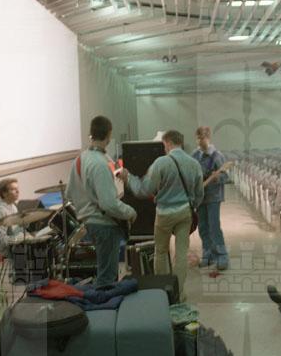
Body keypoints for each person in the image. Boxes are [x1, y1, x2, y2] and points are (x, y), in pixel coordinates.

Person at [122, 130, 203, 301]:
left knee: (160, 251)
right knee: (181, 254)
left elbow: (144, 190)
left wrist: (128, 178)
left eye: (164, 145)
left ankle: (164, 291)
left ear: (168, 143)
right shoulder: (194, 163)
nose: (164, 148)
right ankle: (179, 293)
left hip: (164, 214)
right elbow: (199, 193)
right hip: (184, 213)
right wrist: (191, 205)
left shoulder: (161, 163)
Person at [67, 116, 137, 287]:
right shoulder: (100, 164)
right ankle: (103, 301)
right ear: (109, 135)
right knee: (107, 278)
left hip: (89, 223)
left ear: (91, 133)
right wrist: (130, 212)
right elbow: (108, 204)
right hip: (105, 225)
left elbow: (70, 193)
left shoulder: (80, 160)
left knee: (103, 272)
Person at [192, 126, 229, 270]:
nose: (200, 141)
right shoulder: (194, 155)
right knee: (202, 227)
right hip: (200, 197)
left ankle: (222, 256)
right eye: (198, 138)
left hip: (213, 196)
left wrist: (217, 178)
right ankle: (208, 254)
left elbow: (226, 176)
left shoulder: (217, 156)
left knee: (214, 227)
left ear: (208, 137)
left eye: (202, 138)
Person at [0, 178, 24, 258]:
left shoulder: (12, 206)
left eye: (17, 188)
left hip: (17, 244)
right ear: (4, 193)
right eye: (13, 189)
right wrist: (19, 239)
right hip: (9, 250)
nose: (17, 191)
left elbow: (16, 229)